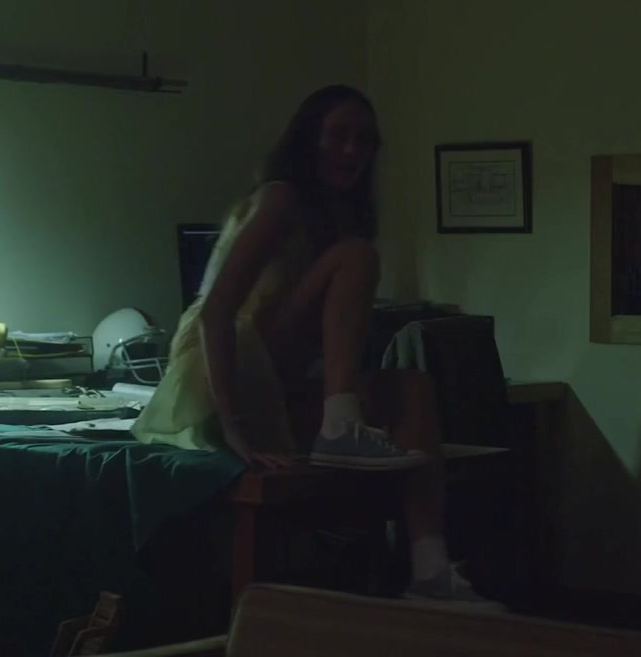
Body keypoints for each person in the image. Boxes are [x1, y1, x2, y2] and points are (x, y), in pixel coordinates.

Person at [132, 84, 497, 607]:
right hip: (225, 374)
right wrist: (233, 427)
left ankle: (429, 569)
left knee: (412, 389)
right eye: (339, 135)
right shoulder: (280, 198)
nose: (352, 150)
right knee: (357, 255)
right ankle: (339, 422)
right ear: (309, 139)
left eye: (365, 140)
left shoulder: (338, 216)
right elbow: (216, 313)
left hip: (277, 381)